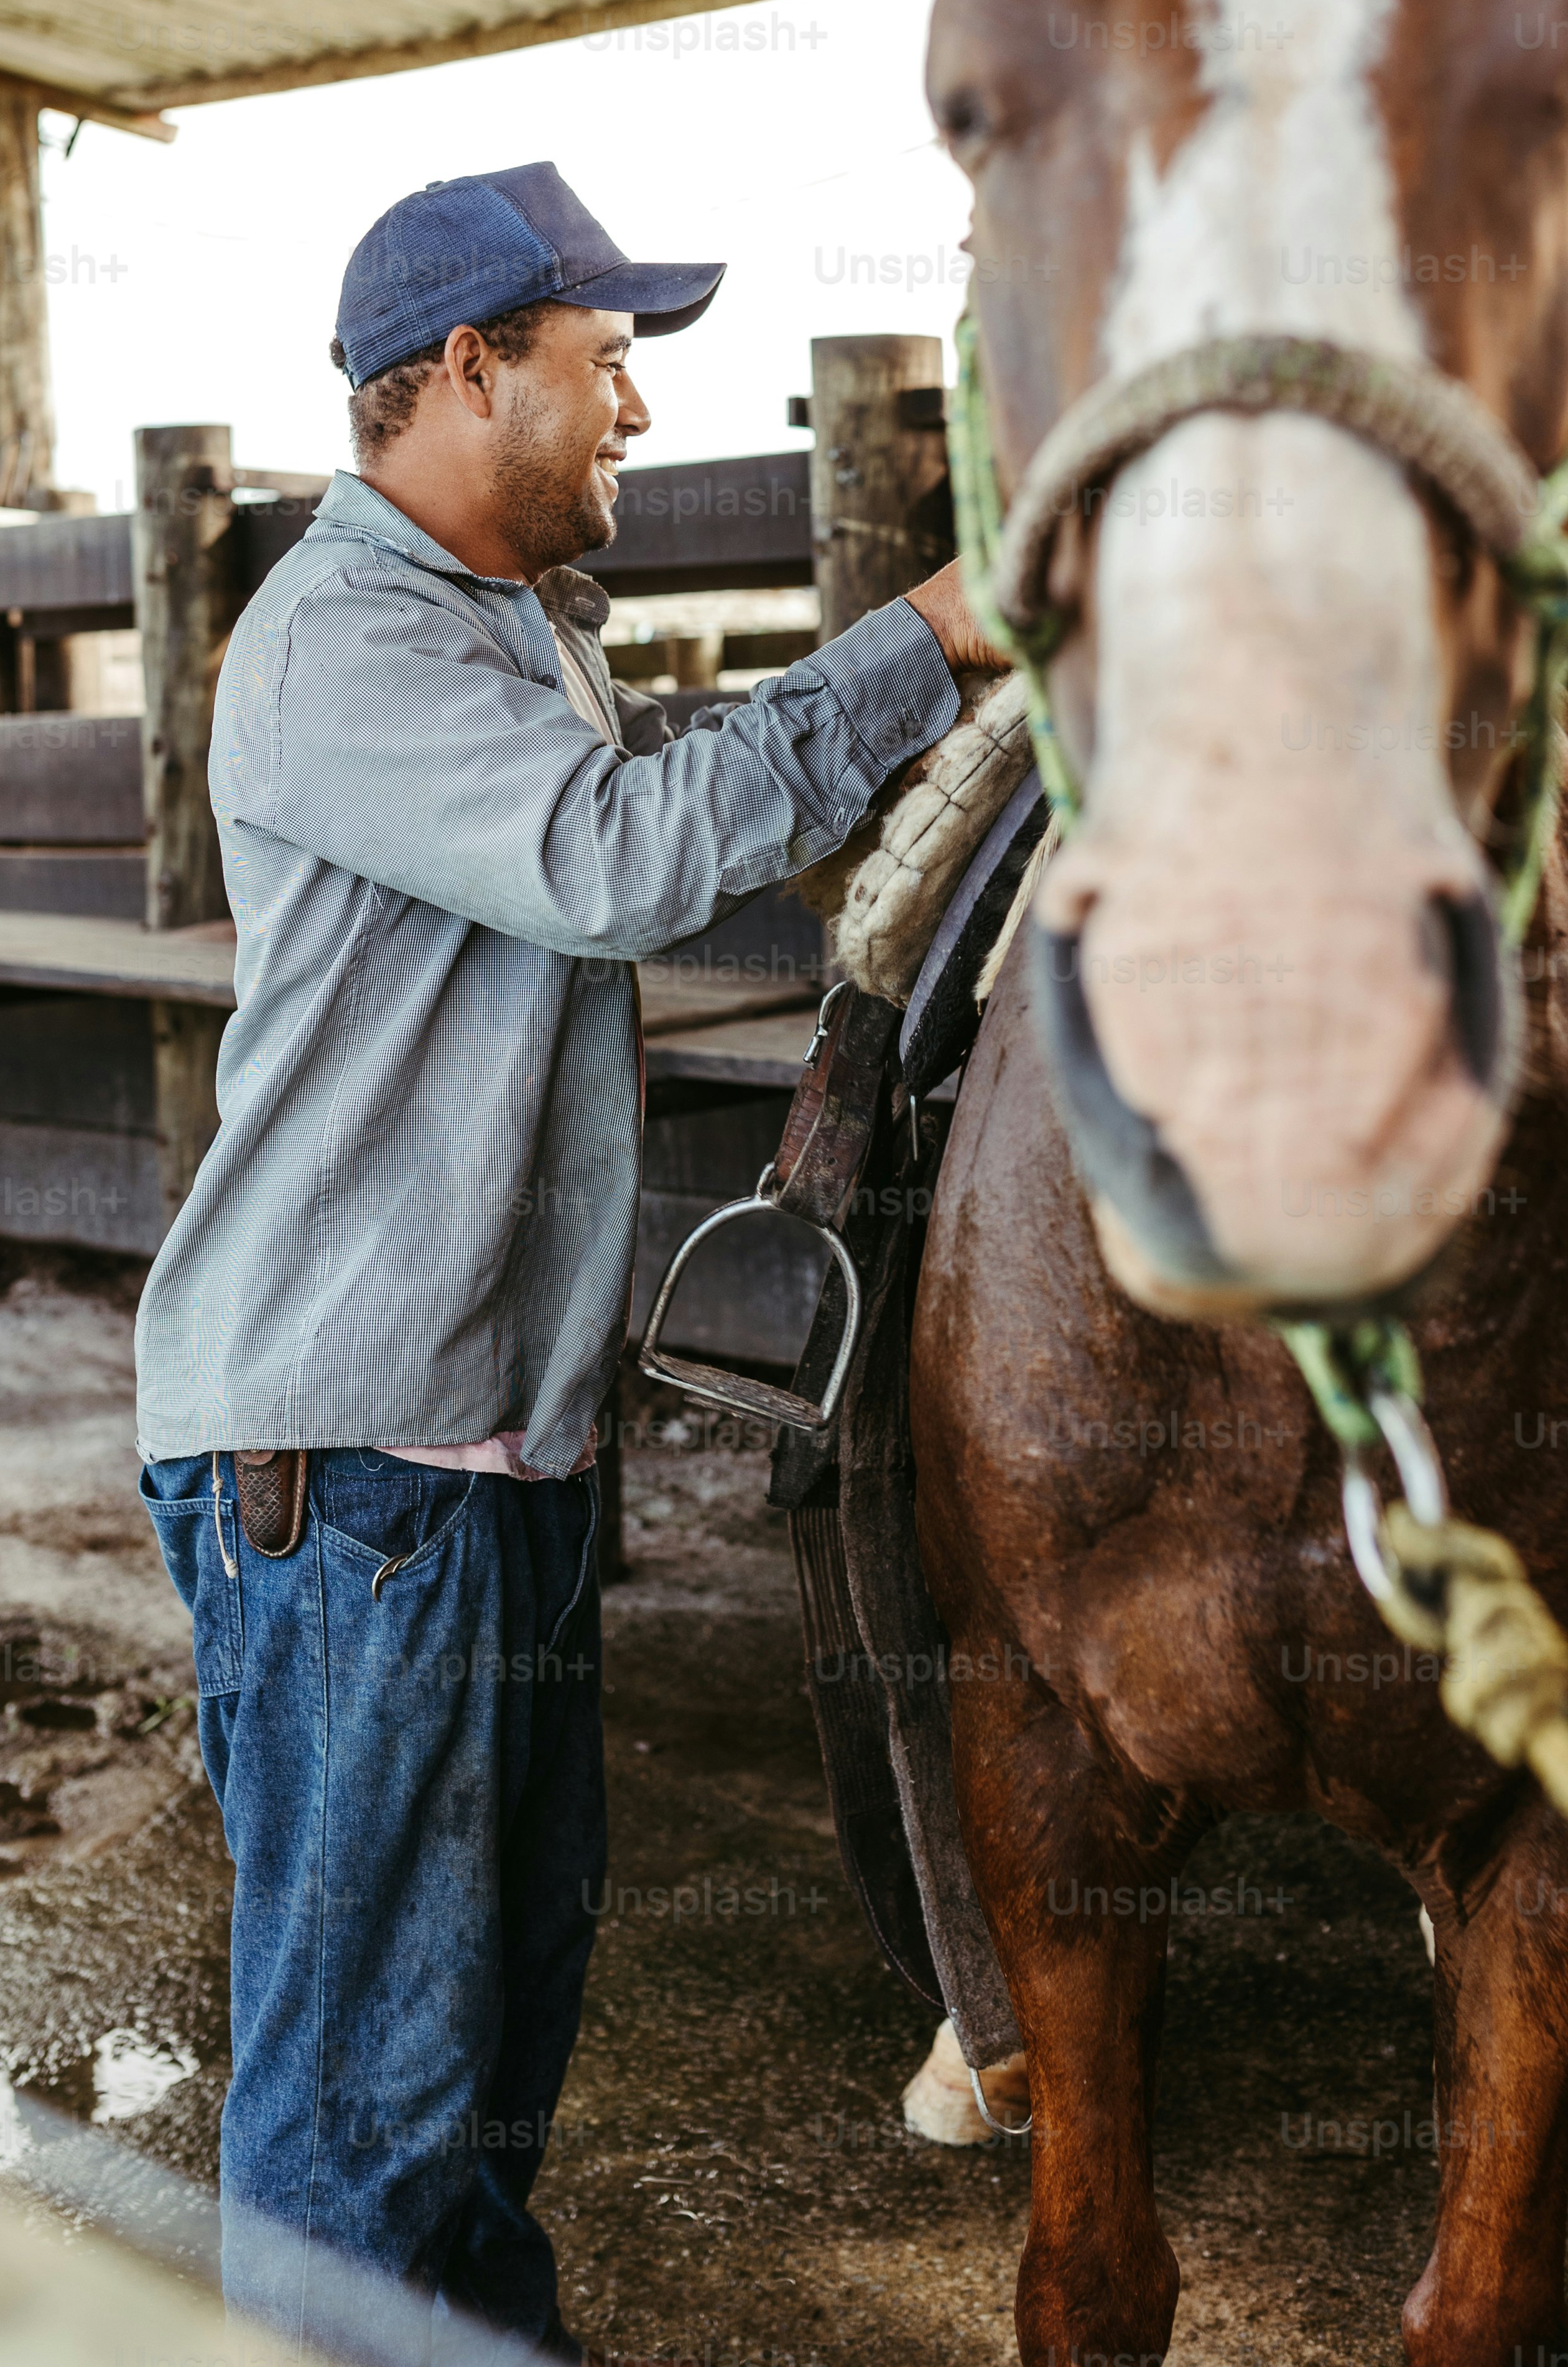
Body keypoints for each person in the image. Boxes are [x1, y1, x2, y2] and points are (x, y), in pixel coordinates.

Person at [132, 160, 1002, 2360]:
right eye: (605, 365)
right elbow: (618, 859)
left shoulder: (499, 632)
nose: (631, 413)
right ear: (462, 375)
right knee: (366, 2099)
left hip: (478, 1452)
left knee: (493, 2045)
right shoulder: (345, 639)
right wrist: (945, 636)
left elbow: (680, 778)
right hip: (353, 1461)